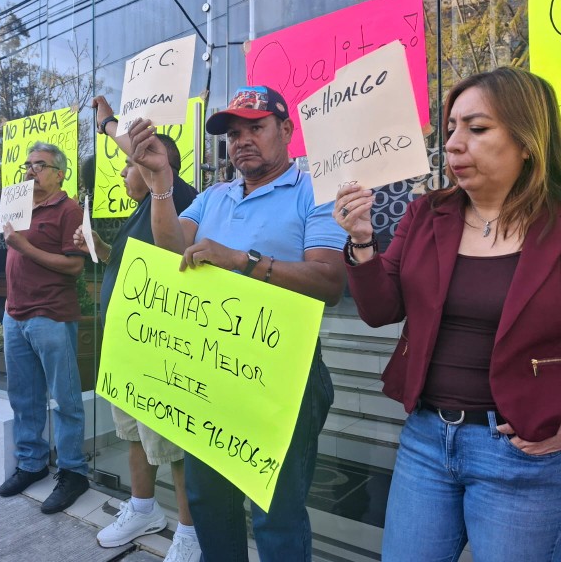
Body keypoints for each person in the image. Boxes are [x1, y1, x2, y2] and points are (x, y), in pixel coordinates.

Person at [333, 67, 561, 562]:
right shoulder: (426, 214)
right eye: (452, 128)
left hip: (522, 455)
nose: (454, 144)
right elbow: (379, 311)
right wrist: (361, 242)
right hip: (426, 442)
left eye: (477, 129)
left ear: (527, 141)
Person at [127, 85, 347, 562]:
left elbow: (330, 282)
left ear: (286, 130)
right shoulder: (212, 197)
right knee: (210, 504)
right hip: (211, 371)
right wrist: (160, 179)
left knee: (277, 514)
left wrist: (241, 261)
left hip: (283, 377)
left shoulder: (316, 190)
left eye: (256, 127)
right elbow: (168, 253)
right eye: (232, 133)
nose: (242, 140)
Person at [73, 96, 201, 561]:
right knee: (132, 434)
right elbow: (134, 268)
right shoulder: (140, 211)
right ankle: (144, 508)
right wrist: (101, 248)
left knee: (176, 446)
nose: (125, 172)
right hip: (126, 347)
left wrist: (107, 121)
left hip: (161, 350)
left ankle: (191, 531)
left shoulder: (176, 197)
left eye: (132, 165)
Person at [0, 141, 90, 514]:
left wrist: (23, 246)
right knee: (24, 396)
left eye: (40, 165)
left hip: (50, 314)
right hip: (14, 313)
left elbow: (74, 267)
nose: (31, 171)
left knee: (65, 399)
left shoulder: (69, 210)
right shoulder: (18, 204)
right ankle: (32, 464)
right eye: (28, 165)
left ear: (60, 173)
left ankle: (73, 472)